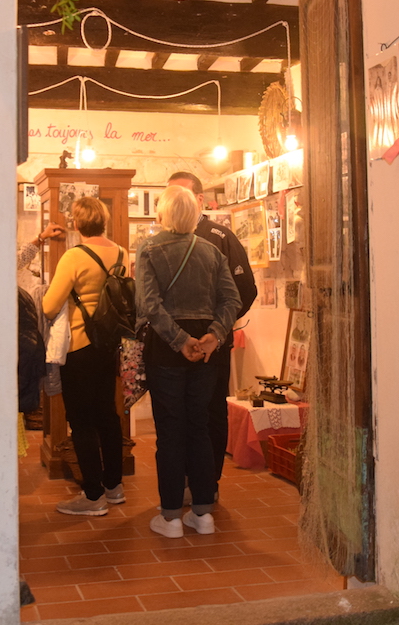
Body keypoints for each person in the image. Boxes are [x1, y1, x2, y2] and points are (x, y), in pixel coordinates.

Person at [137, 185, 241, 538]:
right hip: (206, 350)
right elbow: (232, 299)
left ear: (163, 213)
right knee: (199, 427)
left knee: (169, 431)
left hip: (168, 347)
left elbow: (150, 306)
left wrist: (180, 341)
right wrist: (214, 335)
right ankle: (203, 512)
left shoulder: (149, 249)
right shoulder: (212, 252)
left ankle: (169, 517)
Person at [166, 172, 256, 496]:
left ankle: (208, 484)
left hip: (213, 346)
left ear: (200, 200)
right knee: (177, 415)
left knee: (210, 413)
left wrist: (217, 331)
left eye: (182, 197)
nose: (174, 204)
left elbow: (245, 291)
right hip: (174, 347)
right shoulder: (165, 238)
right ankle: (184, 481)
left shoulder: (220, 236)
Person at [41, 198, 126, 516]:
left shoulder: (73, 256)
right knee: (107, 415)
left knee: (81, 420)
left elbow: (50, 306)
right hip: (108, 344)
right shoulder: (121, 253)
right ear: (104, 220)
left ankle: (93, 497)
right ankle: (114, 487)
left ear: (77, 224)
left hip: (78, 346)